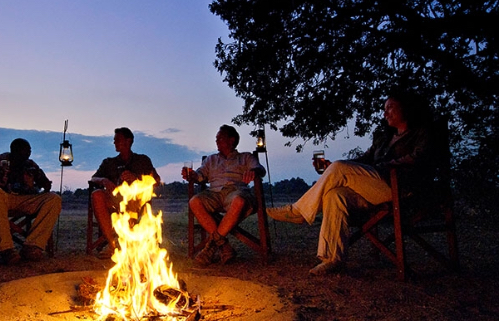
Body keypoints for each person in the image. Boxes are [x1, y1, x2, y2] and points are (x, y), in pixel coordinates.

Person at [267, 91, 435, 275]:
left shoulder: (422, 133)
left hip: (400, 187)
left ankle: (299, 211)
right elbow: (363, 160)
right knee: (335, 195)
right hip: (375, 188)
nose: (385, 113)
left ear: (406, 108)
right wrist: (333, 167)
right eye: (384, 109)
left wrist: (381, 166)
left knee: (339, 169)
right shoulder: (384, 138)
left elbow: (419, 157)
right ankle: (333, 259)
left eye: (390, 108)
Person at [182, 124, 266, 266]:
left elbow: (260, 169)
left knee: (239, 201)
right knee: (194, 201)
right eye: (216, 139)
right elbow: (199, 176)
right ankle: (224, 246)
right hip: (214, 193)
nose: (216, 141)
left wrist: (254, 172)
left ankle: (211, 247)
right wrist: (192, 175)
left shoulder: (245, 157)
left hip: (235, 191)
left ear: (231, 140)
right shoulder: (211, 160)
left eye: (220, 138)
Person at [0, 138, 61, 264]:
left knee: (54, 198)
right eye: (23, 150)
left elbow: (45, 183)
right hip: (3, 198)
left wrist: (42, 184)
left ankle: (32, 246)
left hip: (26, 200)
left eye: (29, 151)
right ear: (13, 150)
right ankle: (6, 249)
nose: (27, 153)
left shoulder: (31, 165)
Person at [89, 127, 161, 259]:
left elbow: (156, 181)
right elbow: (94, 178)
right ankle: (112, 244)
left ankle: (128, 244)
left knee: (131, 198)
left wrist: (137, 178)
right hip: (114, 200)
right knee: (97, 194)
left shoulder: (142, 160)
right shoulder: (109, 162)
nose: (114, 142)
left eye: (118, 139)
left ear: (128, 141)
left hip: (137, 200)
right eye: (114, 140)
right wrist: (104, 180)